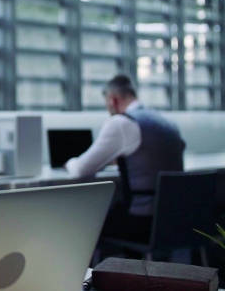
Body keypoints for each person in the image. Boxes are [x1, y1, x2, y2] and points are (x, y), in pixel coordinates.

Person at [65, 74, 186, 243]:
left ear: (112, 100)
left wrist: (68, 162)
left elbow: (80, 170)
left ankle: (98, 269)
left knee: (83, 221)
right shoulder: (167, 121)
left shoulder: (122, 123)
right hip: (176, 220)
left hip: (142, 222)